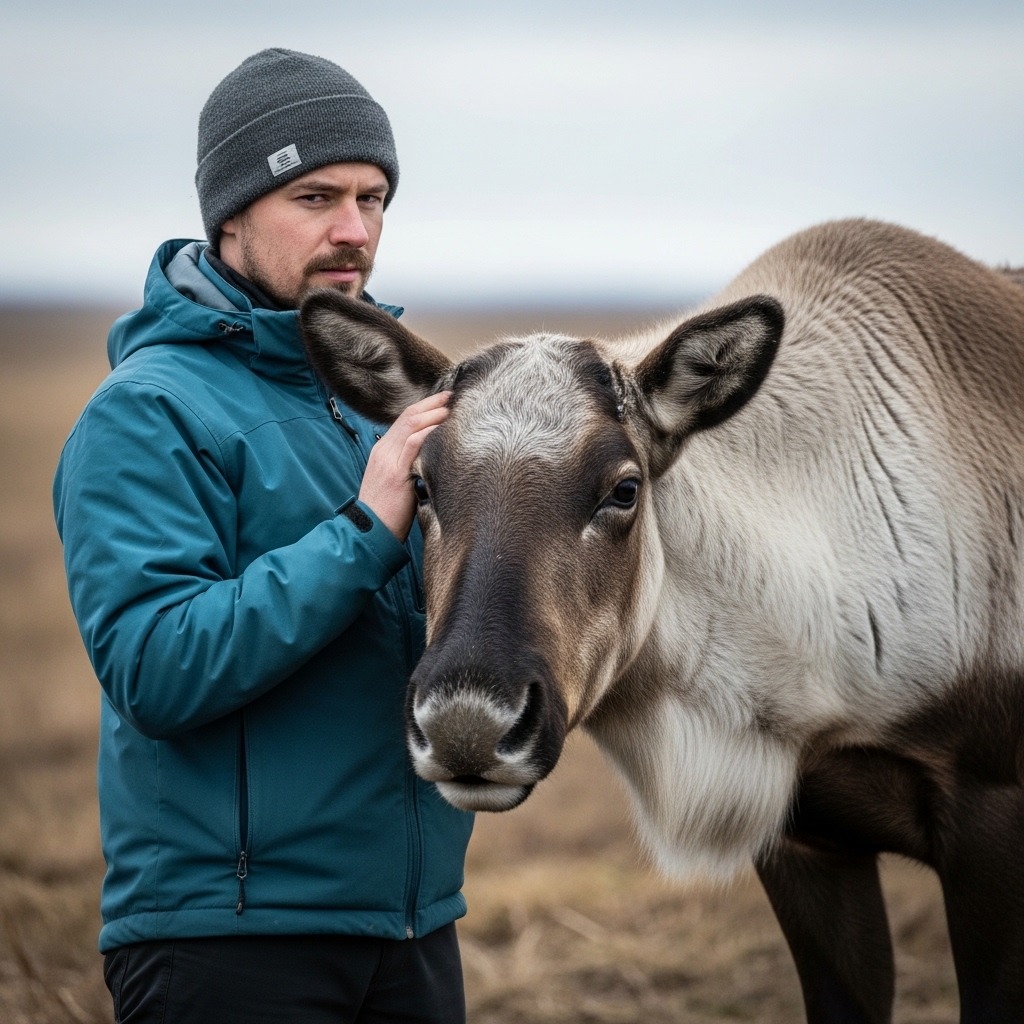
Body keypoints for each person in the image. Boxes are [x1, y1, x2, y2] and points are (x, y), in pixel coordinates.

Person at [53, 48, 475, 1023]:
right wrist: (365, 527)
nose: (354, 231)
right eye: (316, 196)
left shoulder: (381, 407)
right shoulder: (147, 414)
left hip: (412, 928)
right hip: (230, 944)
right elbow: (157, 667)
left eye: (373, 199)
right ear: (230, 213)